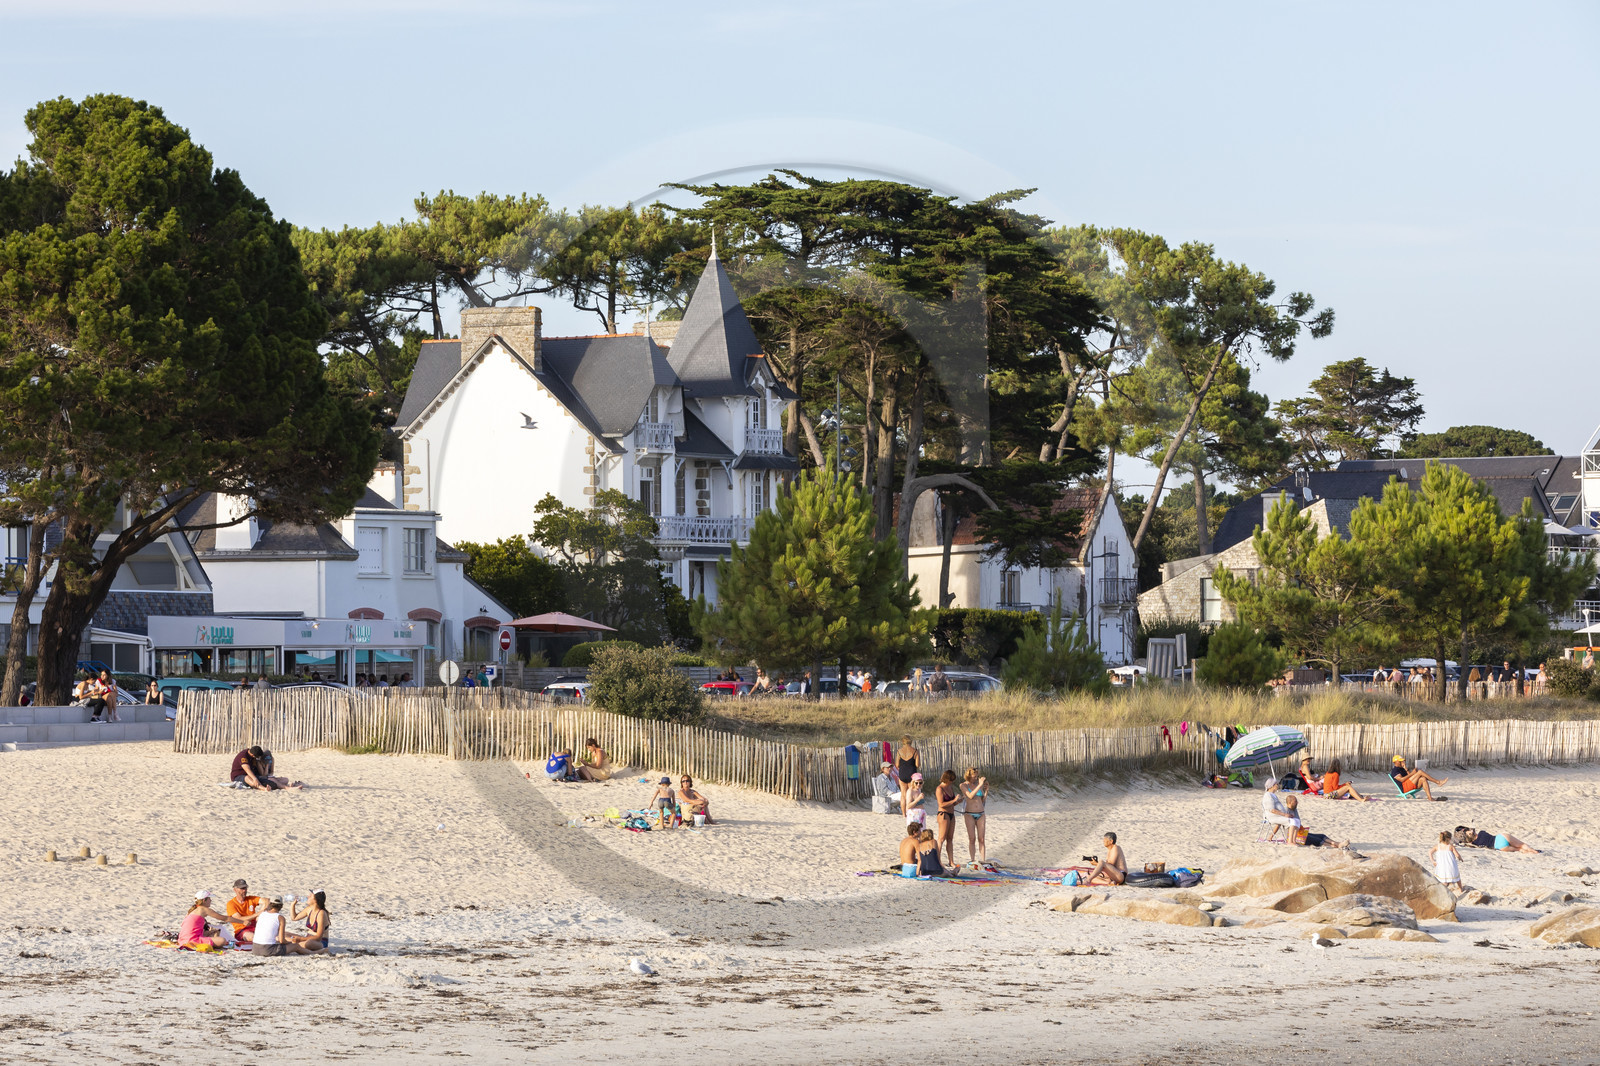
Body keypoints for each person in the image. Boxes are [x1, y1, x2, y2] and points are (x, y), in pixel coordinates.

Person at [1282, 796, 1347, 848]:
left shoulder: (1294, 809)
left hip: (1300, 832)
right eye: (1295, 801)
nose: (1297, 803)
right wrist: (1271, 836)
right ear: (1290, 803)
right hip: (1295, 836)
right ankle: (1335, 845)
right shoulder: (1286, 812)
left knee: (1321, 836)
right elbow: (1280, 824)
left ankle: (1337, 844)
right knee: (1315, 839)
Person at [960, 766, 988, 863]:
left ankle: (983, 860)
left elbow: (982, 800)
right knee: (972, 838)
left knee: (982, 838)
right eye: (973, 776)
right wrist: (979, 785)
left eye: (976, 777)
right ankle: (972, 859)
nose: (975, 778)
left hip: (981, 813)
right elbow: (970, 796)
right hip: (969, 814)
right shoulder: (963, 785)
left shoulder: (978, 785)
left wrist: (986, 790)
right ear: (968, 776)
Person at [935, 770, 961, 867]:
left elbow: (952, 803)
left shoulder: (950, 787)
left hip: (951, 814)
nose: (952, 782)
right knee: (941, 838)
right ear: (947, 779)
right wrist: (954, 800)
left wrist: (957, 801)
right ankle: (937, 860)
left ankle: (951, 861)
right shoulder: (940, 789)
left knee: (950, 839)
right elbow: (941, 804)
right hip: (943, 814)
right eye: (951, 780)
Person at [226, 879, 263, 943]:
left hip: (255, 927)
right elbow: (240, 919)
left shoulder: (251, 899)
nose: (244, 890)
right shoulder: (231, 903)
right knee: (253, 937)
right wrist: (257, 914)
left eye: (245, 888)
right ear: (235, 890)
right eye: (242, 888)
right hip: (242, 930)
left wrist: (262, 910)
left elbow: (267, 901)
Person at [1454, 826, 1539, 854]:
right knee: (1521, 844)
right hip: (1500, 838)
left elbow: (1468, 844)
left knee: (1519, 849)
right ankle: (1534, 851)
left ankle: (1530, 852)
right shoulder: (1481, 833)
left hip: (1499, 847)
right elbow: (1474, 831)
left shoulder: (1475, 844)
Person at [1431, 830, 1465, 896]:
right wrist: (1460, 858)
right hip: (1451, 866)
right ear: (1449, 839)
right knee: (1457, 878)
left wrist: (1433, 861)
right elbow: (1457, 855)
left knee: (1444, 880)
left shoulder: (1437, 846)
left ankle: (1442, 890)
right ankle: (1461, 889)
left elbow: (1430, 852)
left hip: (1441, 867)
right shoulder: (1450, 846)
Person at [894, 736, 921, 817]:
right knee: (912, 794)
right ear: (910, 741)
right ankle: (910, 812)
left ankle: (903, 814)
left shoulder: (899, 751)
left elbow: (897, 764)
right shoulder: (915, 751)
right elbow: (917, 765)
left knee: (903, 795)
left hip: (902, 774)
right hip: (912, 774)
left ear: (903, 742)